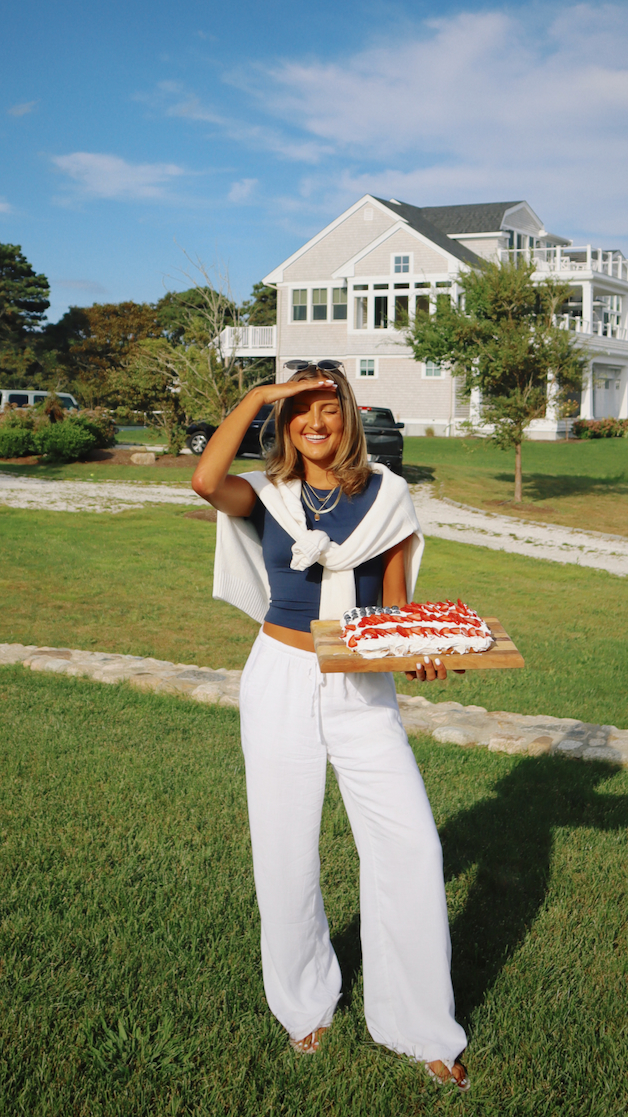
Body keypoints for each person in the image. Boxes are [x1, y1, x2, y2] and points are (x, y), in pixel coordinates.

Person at [191, 361, 469, 1092]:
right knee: (284, 850)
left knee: (411, 844)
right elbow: (202, 481)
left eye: (330, 410)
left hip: (361, 689)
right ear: (283, 422)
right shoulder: (266, 495)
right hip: (279, 678)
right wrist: (259, 395)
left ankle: (419, 1026)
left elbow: (399, 605)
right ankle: (304, 1003)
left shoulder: (389, 496)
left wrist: (421, 654)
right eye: (300, 411)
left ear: (349, 420)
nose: (316, 423)